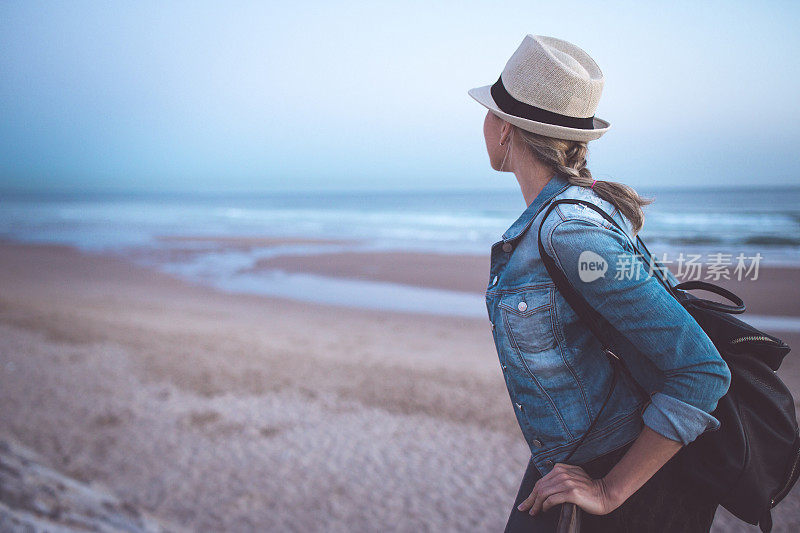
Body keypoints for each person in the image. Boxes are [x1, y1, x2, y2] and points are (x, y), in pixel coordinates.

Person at [468, 35, 731, 532]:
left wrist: (609, 491)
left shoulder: (568, 231)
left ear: (505, 130)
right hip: (572, 460)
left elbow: (700, 371)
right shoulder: (581, 209)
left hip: (618, 477)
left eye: (487, 111)